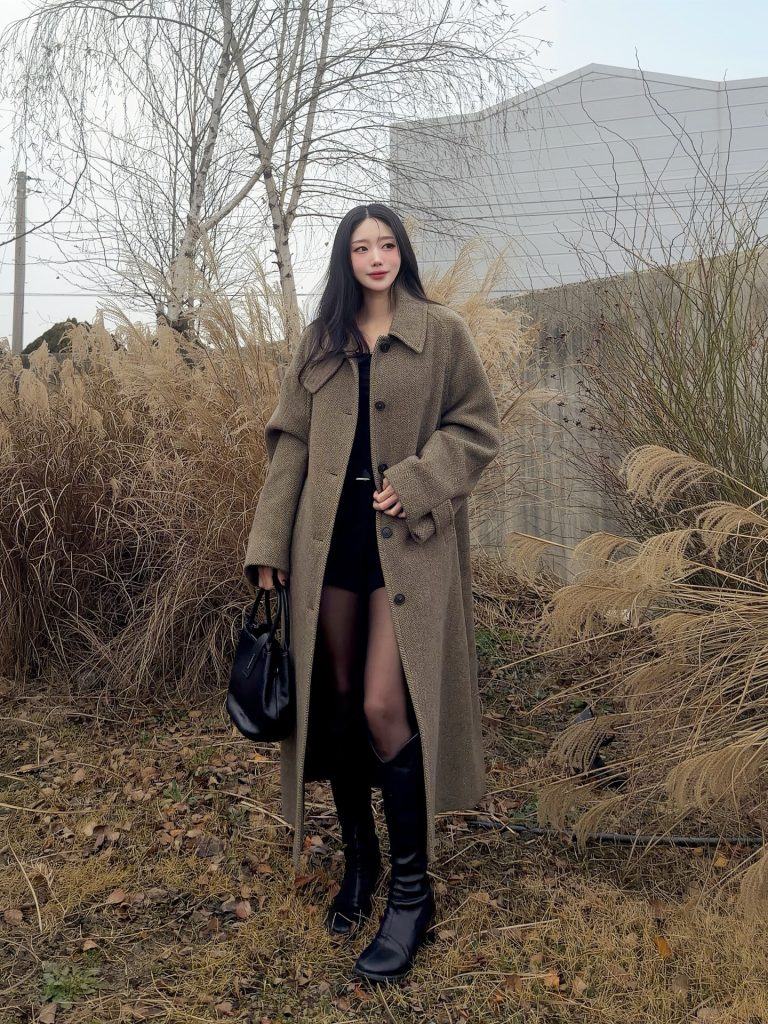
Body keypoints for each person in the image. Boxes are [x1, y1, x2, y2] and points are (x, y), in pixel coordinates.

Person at [244, 202, 501, 984]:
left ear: (402, 253)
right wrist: (266, 545)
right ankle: (360, 863)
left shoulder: (440, 333)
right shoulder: (321, 340)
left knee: (389, 704)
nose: (377, 257)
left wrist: (422, 480)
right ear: (345, 258)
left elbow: (477, 428)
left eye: (388, 244)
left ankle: (413, 895)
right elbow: (288, 442)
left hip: (408, 551)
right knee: (342, 698)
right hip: (327, 549)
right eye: (363, 246)